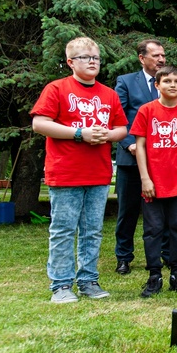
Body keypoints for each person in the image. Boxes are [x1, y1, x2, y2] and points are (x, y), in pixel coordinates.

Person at [31, 37, 128, 303]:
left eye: (96, 57)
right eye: (86, 57)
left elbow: (122, 128)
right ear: (70, 62)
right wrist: (79, 133)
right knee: (63, 229)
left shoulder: (108, 94)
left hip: (98, 173)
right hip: (65, 172)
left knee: (92, 230)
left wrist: (106, 135)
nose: (93, 62)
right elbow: (39, 124)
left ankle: (88, 280)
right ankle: (61, 285)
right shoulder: (57, 88)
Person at [113, 39, 177, 275]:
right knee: (128, 211)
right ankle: (124, 256)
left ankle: (166, 254)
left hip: (167, 162)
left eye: (163, 55)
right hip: (131, 159)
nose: (161, 59)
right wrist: (130, 145)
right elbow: (118, 117)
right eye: (155, 55)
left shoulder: (174, 82)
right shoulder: (125, 82)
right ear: (141, 58)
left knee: (165, 212)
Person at [130, 66, 177, 298]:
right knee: (153, 230)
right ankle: (154, 275)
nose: (173, 85)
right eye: (168, 81)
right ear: (157, 85)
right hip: (153, 181)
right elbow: (140, 146)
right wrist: (145, 178)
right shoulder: (146, 111)